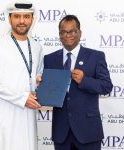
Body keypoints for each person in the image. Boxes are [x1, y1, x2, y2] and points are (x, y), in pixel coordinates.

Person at [43, 15, 113, 150]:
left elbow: (106, 86)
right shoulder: (49, 59)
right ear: (59, 35)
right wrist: (42, 88)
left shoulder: (96, 56)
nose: (67, 35)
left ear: (80, 33)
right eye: (63, 32)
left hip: (88, 131)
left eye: (72, 31)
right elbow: (47, 93)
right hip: (61, 132)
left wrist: (84, 80)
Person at [0, 1, 43, 150]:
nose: (22, 21)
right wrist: (22, 98)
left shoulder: (36, 47)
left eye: (26, 17)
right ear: (9, 19)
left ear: (32, 19)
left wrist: (40, 81)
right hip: (4, 117)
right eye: (17, 16)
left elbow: (38, 74)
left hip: (27, 118)